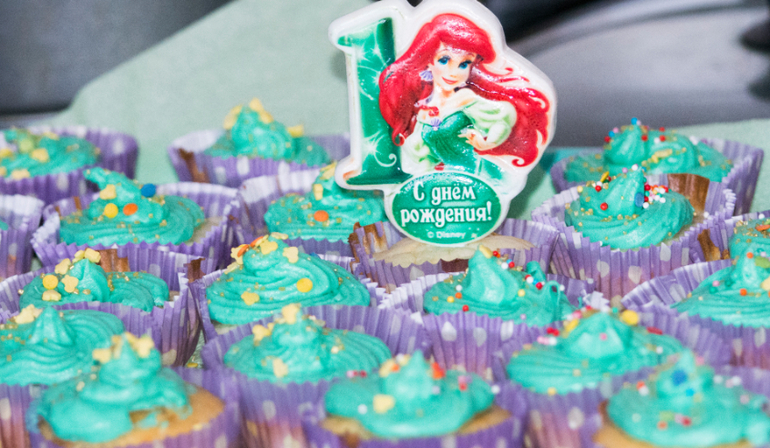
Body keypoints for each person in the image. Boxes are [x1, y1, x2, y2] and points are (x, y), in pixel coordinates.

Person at [378, 13, 551, 182]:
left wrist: (486, 142)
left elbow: (501, 118)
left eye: (464, 64)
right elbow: (422, 155)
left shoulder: (465, 98)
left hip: (480, 175)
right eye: (444, 60)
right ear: (429, 61)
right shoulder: (424, 112)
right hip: (451, 182)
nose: (453, 72)